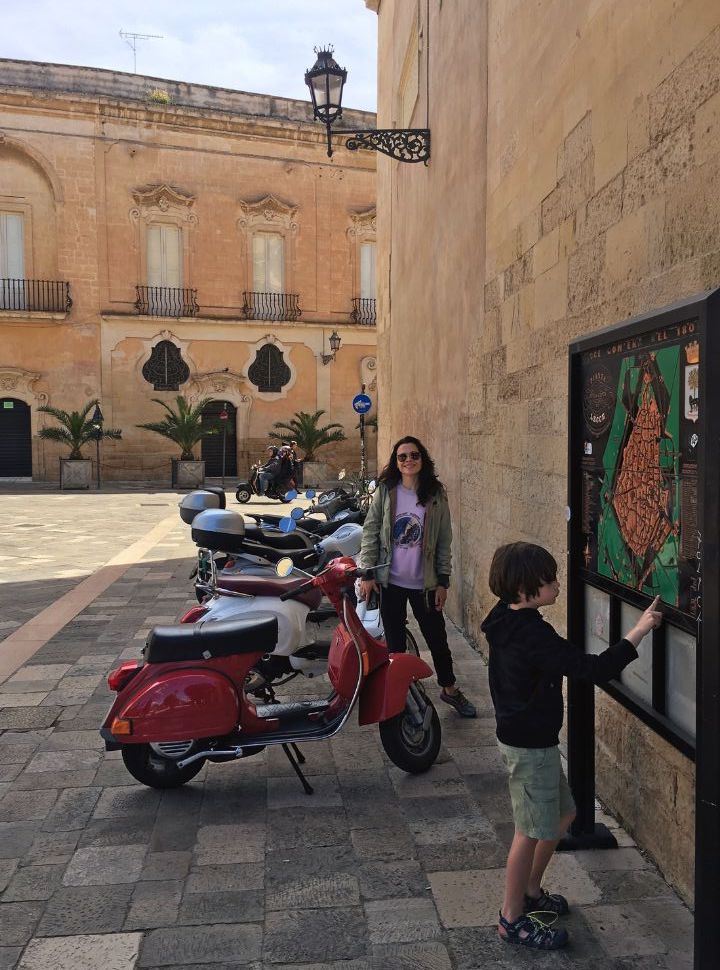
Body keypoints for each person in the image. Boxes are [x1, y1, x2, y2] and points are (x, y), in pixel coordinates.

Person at [481, 541, 663, 950]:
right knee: (528, 831)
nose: (558, 586)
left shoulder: (503, 619)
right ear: (525, 590)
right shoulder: (532, 635)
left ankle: (531, 889)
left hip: (529, 740)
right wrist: (640, 629)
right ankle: (511, 918)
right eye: (550, 581)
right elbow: (591, 669)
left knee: (564, 814)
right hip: (529, 747)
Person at [358, 435, 476, 717]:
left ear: (422, 460)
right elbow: (371, 531)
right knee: (395, 645)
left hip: (424, 584)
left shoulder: (435, 494)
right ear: (396, 463)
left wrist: (443, 582)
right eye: (403, 457)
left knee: (437, 640)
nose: (409, 460)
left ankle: (449, 690)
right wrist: (367, 573)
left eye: (414, 455)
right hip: (390, 581)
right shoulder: (387, 491)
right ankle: (402, 696)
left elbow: (445, 541)